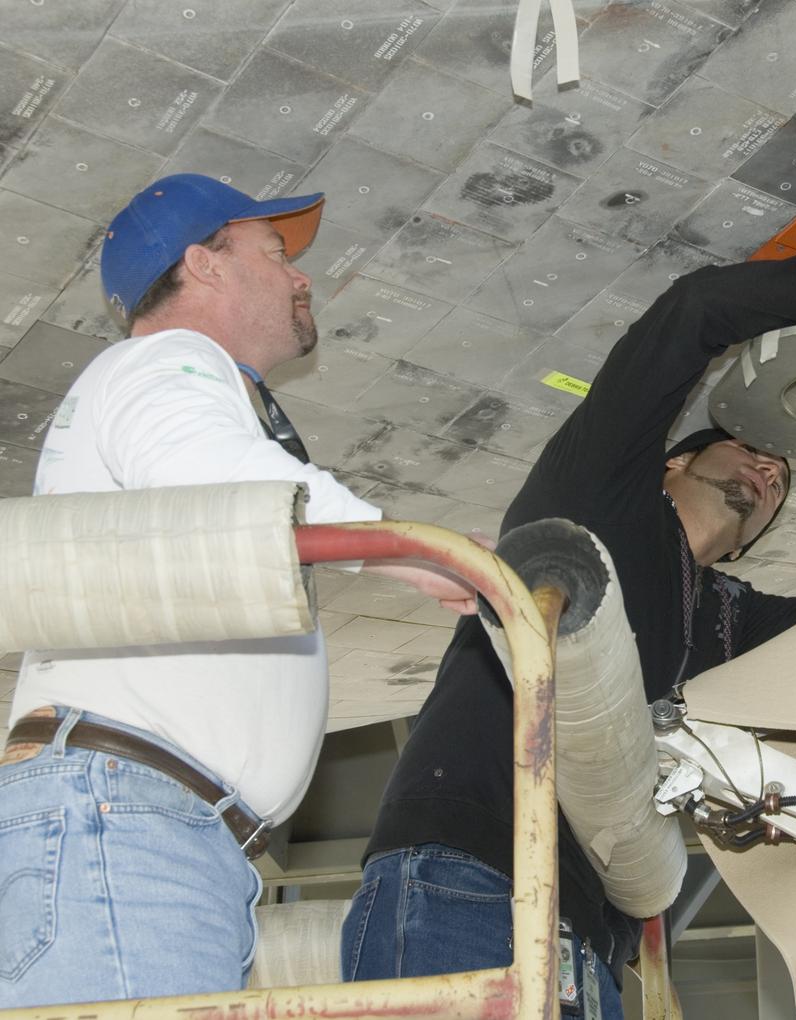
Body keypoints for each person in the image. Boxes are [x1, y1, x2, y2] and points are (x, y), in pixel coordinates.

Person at [341, 254, 796, 1017]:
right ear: (672, 464)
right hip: (463, 880)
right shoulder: (595, 499)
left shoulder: (726, 620)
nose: (769, 467)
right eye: (745, 447)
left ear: (750, 542)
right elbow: (693, 311)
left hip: (586, 945)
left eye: (780, 479)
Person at [0, 174, 478, 1008]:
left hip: (154, 826)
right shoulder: (166, 362)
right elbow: (213, 475)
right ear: (204, 264)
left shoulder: (171, 379)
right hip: (130, 822)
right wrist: (407, 551)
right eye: (277, 252)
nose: (300, 277)